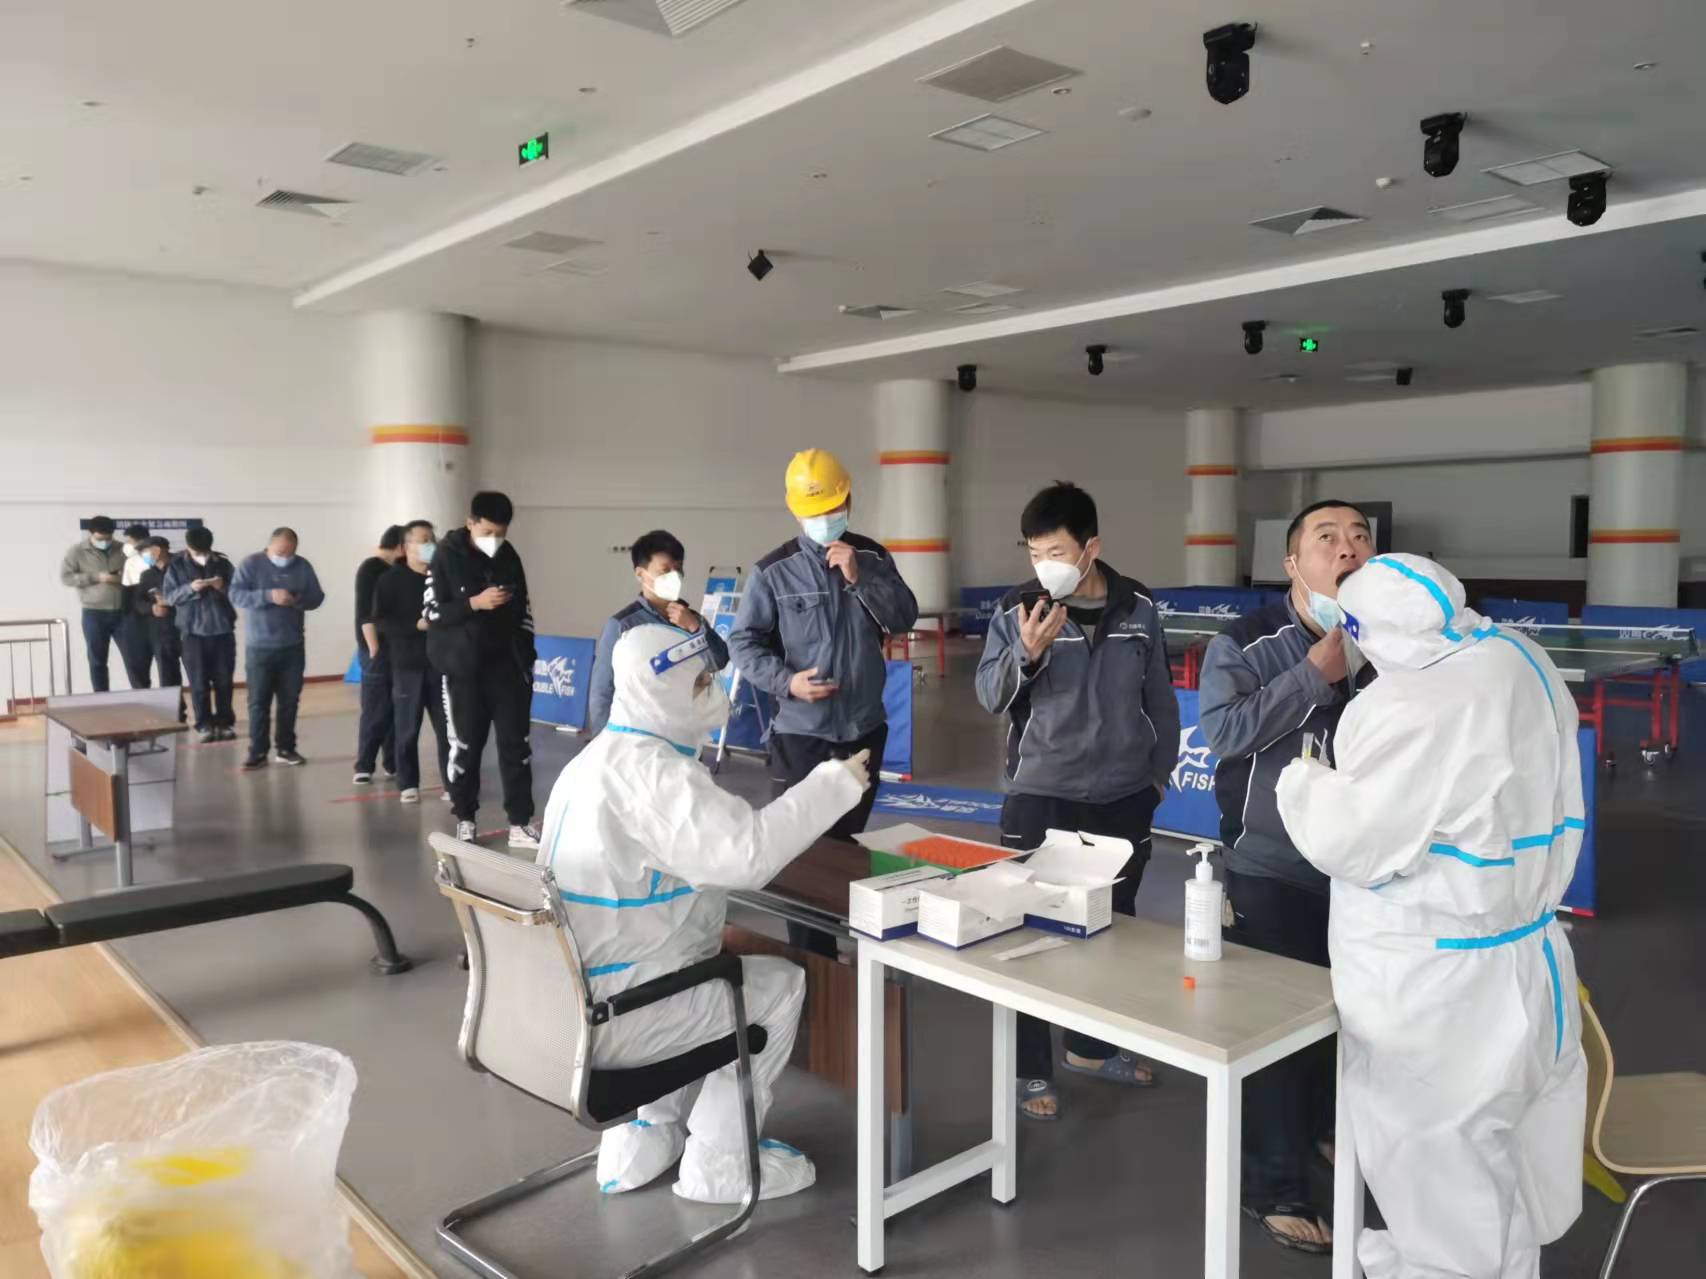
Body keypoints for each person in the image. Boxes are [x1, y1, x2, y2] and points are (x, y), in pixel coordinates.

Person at [1276, 554, 1586, 1279]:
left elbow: (1352, 839)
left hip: (1438, 986)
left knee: (1439, 1171)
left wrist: (1303, 781)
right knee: (1501, 1159)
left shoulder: (1414, 704)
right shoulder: (1518, 657)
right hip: (1527, 956)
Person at [538, 623, 870, 1204]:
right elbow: (746, 856)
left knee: (693, 966)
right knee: (777, 986)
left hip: (567, 1005)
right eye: (697, 684)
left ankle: (642, 1139)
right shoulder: (654, 775)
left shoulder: (592, 761)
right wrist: (831, 787)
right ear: (656, 692)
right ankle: (721, 1164)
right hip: (621, 1015)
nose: (713, 691)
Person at [1197, 499, 1375, 1254]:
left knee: (1350, 1017)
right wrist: (1311, 675)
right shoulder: (1245, 642)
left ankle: (1326, 1129)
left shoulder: (1391, 642)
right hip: (1271, 866)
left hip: (1361, 873)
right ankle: (1272, 1184)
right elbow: (1224, 731)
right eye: (1328, 538)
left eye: (1361, 537)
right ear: (1293, 563)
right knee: (1273, 1033)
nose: (1348, 548)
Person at [975, 481, 1180, 1121]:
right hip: (1041, 794)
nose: (1045, 566)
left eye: (1057, 552)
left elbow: (1160, 696)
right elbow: (989, 694)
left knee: (1112, 927)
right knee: (1027, 932)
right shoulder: (1018, 609)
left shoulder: (1138, 606)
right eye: (1035, 553)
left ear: (1091, 548)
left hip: (1123, 796)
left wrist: (1156, 776)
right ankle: (1029, 1067)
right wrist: (1027, 654)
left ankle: (1091, 1048)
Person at [729, 448, 917, 956]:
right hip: (802, 736)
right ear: (796, 513)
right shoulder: (773, 572)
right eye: (813, 512)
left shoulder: (874, 559)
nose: (824, 519)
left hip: (863, 731)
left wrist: (861, 580)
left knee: (844, 848)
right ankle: (815, 968)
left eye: (832, 508)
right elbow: (743, 643)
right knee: (803, 857)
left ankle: (846, 954)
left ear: (848, 502)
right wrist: (787, 682)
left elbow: (903, 618)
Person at [426, 491, 539, 849]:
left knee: (516, 746)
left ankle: (520, 822)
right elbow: (431, 613)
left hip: (507, 669)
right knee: (466, 747)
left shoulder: (509, 556)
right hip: (463, 670)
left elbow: (525, 612)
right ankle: (465, 817)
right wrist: (474, 603)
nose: (494, 539)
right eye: (487, 531)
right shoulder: (445, 556)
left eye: (500, 533)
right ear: (470, 523)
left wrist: (526, 657)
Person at [587, 529, 728, 737]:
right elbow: (602, 689)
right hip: (635, 736)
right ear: (640, 574)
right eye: (665, 571)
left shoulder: (692, 620)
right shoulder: (623, 624)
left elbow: (719, 661)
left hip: (681, 735)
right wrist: (603, 742)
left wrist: (695, 629)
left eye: (678, 569)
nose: (674, 576)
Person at [230, 527, 325, 769]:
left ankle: (286, 748)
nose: (285, 557)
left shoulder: (302, 566)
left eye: (290, 553)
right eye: (280, 552)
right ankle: (257, 751)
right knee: (258, 701)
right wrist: (268, 596)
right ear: (270, 546)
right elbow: (236, 595)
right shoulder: (251, 564)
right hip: (259, 646)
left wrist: (297, 599)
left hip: (292, 645)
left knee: (289, 700)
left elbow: (317, 597)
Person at [371, 521, 449, 804]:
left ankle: (453, 783)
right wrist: (414, 625)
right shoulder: (390, 580)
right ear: (406, 547)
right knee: (407, 728)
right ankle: (407, 783)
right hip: (407, 665)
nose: (430, 544)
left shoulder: (442, 578)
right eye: (423, 540)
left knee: (447, 730)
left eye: (432, 539)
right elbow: (381, 621)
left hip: (441, 664)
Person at [164, 527, 238, 741]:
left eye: (204, 551)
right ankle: (203, 724)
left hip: (222, 630)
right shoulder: (177, 565)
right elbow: (169, 597)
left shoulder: (223, 564)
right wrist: (190, 588)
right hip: (192, 632)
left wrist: (222, 586)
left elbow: (239, 593)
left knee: (224, 681)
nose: (201, 554)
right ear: (188, 546)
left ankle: (225, 723)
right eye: (197, 551)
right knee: (198, 682)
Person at [352, 525, 405, 785]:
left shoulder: (399, 570)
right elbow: (366, 613)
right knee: (375, 708)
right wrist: (373, 647)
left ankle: (392, 762)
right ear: (401, 546)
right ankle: (364, 764)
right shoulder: (371, 568)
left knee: (395, 708)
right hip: (377, 649)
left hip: (398, 648)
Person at [60, 515, 127, 692]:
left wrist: (119, 578)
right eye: (100, 539)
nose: (104, 542)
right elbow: (66, 578)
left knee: (134, 657)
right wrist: (96, 577)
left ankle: (141, 695)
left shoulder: (123, 549)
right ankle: (102, 697)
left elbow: (135, 575)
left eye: (108, 538)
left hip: (123, 612)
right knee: (97, 660)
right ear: (91, 534)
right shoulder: (77, 551)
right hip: (94, 613)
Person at [133, 536, 184, 722]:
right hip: (162, 630)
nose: (145, 557)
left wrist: (172, 602)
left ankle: (205, 719)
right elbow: (138, 602)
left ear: (158, 549)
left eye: (146, 552)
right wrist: (152, 608)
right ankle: (175, 715)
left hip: (187, 628)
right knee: (167, 674)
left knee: (198, 674)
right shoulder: (147, 575)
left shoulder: (183, 568)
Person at [118, 523, 156, 690]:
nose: (127, 545)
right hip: (135, 617)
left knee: (165, 663)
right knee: (137, 662)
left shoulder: (155, 559)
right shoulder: (131, 561)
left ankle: (173, 702)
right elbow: (126, 592)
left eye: (130, 541)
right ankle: (142, 695)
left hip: (156, 615)